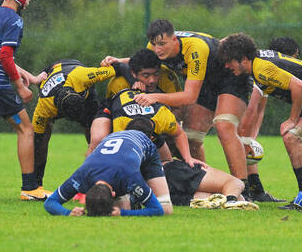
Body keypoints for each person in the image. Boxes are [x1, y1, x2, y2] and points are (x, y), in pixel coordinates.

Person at [101, 20, 253, 199]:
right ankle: (206, 182)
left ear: (174, 39)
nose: (158, 49)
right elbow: (143, 62)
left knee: (224, 126)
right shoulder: (155, 46)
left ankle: (245, 190)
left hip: (231, 77)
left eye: (162, 44)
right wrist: (119, 61)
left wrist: (153, 97)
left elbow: (189, 97)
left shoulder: (195, 49)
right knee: (191, 139)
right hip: (206, 84)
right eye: (155, 44)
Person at [219, 32, 302, 194]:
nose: (227, 66)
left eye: (230, 62)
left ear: (244, 60)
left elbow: (300, 87)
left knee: (292, 136)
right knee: (291, 138)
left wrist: (292, 119)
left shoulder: (261, 69)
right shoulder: (256, 61)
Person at [32, 59, 129, 190]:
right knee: (40, 143)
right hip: (51, 72)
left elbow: (119, 67)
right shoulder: (44, 107)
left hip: (74, 74)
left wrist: (136, 84)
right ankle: (36, 185)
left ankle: (103, 181)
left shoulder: (83, 76)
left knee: (96, 140)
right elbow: (36, 140)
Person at [44, 118, 171, 217]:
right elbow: (49, 202)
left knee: (166, 210)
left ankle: (132, 198)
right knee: (118, 206)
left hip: (145, 146)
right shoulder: (82, 175)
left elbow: (157, 210)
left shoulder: (129, 176)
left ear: (113, 193)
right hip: (116, 144)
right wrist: (68, 213)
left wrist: (123, 213)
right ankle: (130, 199)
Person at [0, 0, 49, 200]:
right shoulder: (14, 20)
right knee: (25, 129)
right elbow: (5, 56)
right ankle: (30, 188)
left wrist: (32, 78)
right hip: (0, 88)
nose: (29, 0)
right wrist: (20, 87)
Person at [240, 37, 300, 202]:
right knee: (240, 143)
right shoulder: (262, 70)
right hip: (237, 107)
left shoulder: (271, 73)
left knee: (247, 145)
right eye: (294, 58)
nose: (296, 63)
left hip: (249, 110)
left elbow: (260, 109)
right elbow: (252, 109)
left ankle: (256, 191)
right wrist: (247, 138)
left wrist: (253, 138)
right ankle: (244, 191)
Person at [163, 158, 258, 210]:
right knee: (236, 183)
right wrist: (187, 156)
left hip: (157, 187)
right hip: (169, 170)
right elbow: (166, 156)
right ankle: (230, 202)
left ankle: (226, 201)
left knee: (214, 197)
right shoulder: (162, 123)